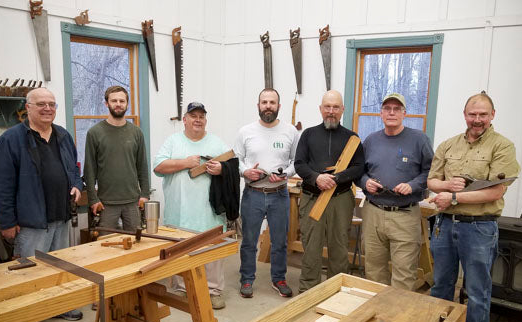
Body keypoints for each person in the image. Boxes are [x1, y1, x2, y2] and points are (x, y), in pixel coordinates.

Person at [427, 92, 520, 322]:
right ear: (465, 115)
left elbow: (495, 192)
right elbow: (432, 181)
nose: (477, 120)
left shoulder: (502, 146)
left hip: (479, 228)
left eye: (482, 114)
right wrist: (447, 185)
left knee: (478, 289)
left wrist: (454, 197)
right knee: (441, 284)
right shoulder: (448, 145)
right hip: (444, 225)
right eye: (472, 114)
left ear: (492, 115)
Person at [0, 88, 83, 322]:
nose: (47, 108)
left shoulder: (63, 135)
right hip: (32, 220)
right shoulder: (11, 139)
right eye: (41, 104)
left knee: (58, 267)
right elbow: (3, 185)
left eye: (52, 104)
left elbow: (74, 168)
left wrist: (76, 185)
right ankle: (29, 315)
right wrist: (8, 222)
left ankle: (59, 306)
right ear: (28, 107)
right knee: (29, 269)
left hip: (61, 215)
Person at [153, 102, 228, 309]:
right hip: (180, 211)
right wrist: (185, 163)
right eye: (193, 115)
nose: (197, 119)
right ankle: (182, 289)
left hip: (209, 211)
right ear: (184, 120)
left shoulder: (216, 143)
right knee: (180, 250)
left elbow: (232, 165)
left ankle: (212, 291)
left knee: (212, 250)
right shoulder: (173, 141)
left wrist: (221, 169)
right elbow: (158, 167)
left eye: (201, 116)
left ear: (205, 120)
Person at [358, 93, 433, 290]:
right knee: (374, 271)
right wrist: (366, 182)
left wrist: (414, 185)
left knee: (403, 274)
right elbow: (359, 172)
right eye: (387, 109)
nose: (392, 112)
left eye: (396, 109)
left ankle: (397, 319)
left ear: (404, 113)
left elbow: (431, 173)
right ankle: (376, 316)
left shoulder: (419, 140)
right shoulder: (371, 141)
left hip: (405, 215)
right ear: (381, 113)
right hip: (373, 211)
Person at [294, 90, 365, 293]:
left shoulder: (352, 138)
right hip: (312, 198)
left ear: (342, 110)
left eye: (335, 107)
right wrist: (317, 178)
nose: (331, 111)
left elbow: (359, 167)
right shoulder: (308, 134)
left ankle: (336, 292)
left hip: (340, 200)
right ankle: (308, 291)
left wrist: (336, 179)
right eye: (327, 107)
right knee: (311, 248)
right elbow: (299, 163)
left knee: (339, 248)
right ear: (320, 109)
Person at [233, 88, 300, 298]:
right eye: (264, 102)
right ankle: (246, 279)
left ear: (279, 106)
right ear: (258, 106)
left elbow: (295, 162)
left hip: (279, 194)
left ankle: (278, 279)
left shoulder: (290, 132)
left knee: (280, 242)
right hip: (253, 193)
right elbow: (236, 161)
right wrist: (246, 171)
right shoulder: (245, 132)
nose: (268, 106)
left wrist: (285, 174)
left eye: (272, 102)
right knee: (249, 241)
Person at [84, 86, 150, 231]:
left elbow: (142, 166)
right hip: (105, 203)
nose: (118, 104)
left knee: (135, 244)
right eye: (114, 101)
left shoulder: (136, 132)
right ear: (107, 103)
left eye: (122, 101)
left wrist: (145, 194)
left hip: (133, 202)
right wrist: (93, 199)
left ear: (127, 104)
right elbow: (89, 170)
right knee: (106, 246)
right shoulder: (94, 133)